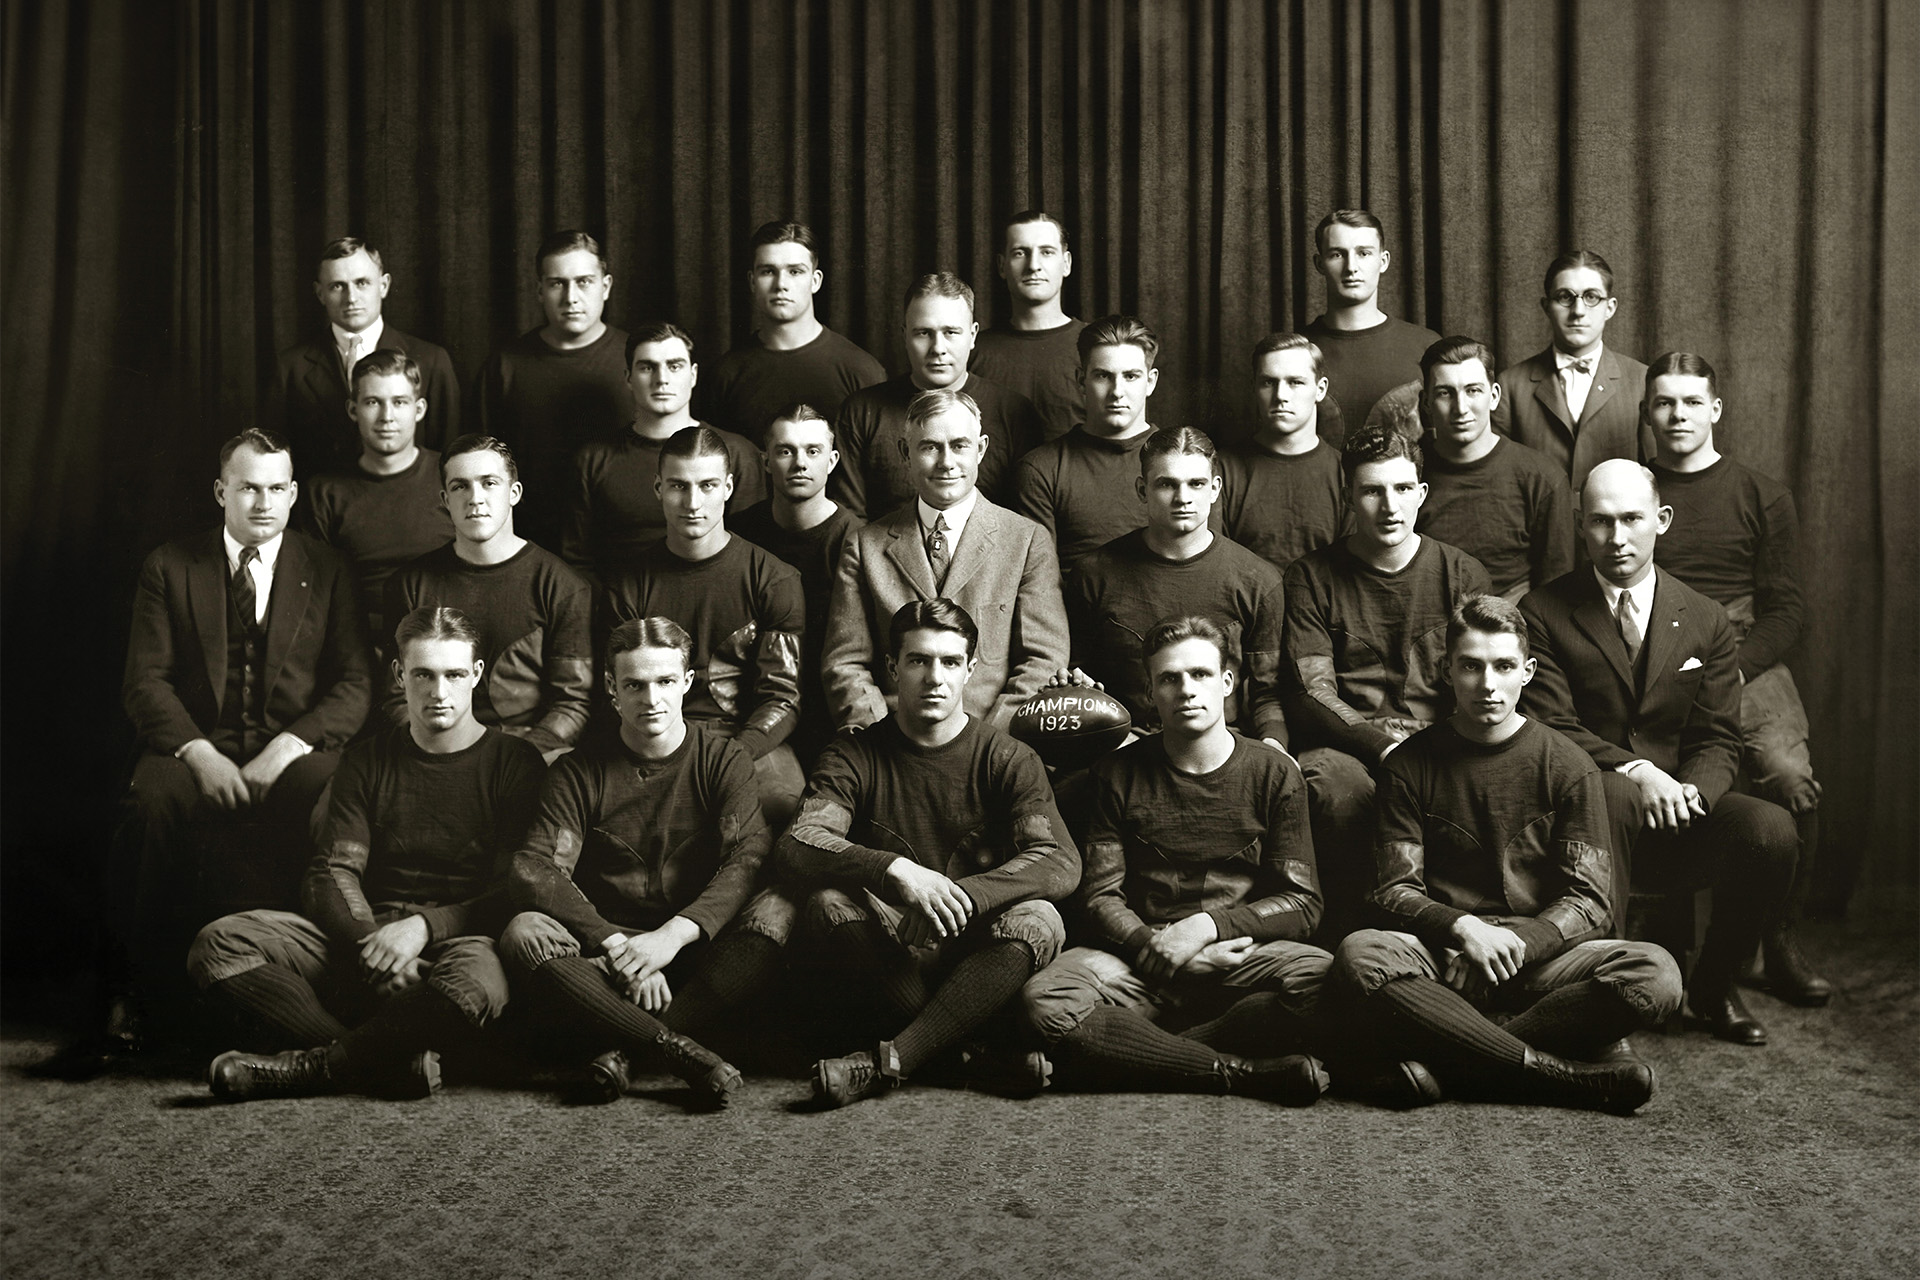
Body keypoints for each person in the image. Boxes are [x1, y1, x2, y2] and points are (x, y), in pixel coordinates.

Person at [1325, 596, 1683, 1114]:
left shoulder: (1569, 764)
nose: (1487, 684)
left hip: (1538, 961)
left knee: (1657, 973)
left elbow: (1589, 902)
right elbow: (1392, 890)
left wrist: (1509, 944)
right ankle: (1545, 1073)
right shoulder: (1408, 766)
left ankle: (1459, 1054)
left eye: (1503, 666)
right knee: (1361, 954)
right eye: (1471, 666)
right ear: (1447, 671)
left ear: (1528, 671)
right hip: (1444, 960)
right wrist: (1465, 932)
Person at [1519, 459, 1823, 1045]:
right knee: (1608, 791)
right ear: (1581, 527)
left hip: (1682, 807)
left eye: (1632, 519)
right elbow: (1552, 725)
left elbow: (1716, 737)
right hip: (1590, 807)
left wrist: (1690, 791)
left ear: (1661, 520)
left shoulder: (1705, 617)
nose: (1618, 538)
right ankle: (1604, 998)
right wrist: (1637, 771)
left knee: (1773, 829)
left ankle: (1712, 987)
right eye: (1601, 522)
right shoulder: (1544, 611)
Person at [186, 607, 545, 1101]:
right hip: (367, 935)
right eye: (423, 674)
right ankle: (385, 1057)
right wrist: (373, 945)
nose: (439, 692)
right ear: (400, 676)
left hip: (459, 941)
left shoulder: (514, 762)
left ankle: (320, 1066)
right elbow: (333, 870)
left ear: (476, 675)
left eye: (454, 675)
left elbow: (511, 889)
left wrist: (423, 928)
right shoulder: (367, 759)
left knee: (479, 981)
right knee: (220, 943)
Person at [112, 429, 371, 1049]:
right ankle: (132, 995)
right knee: (150, 803)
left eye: (276, 488)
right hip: (195, 745)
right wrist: (199, 754)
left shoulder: (328, 567)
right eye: (248, 488)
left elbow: (356, 683)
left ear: (293, 493)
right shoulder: (170, 566)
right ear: (220, 491)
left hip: (290, 751)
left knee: (334, 795)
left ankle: (332, 987)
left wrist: (286, 748)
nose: (263, 502)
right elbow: (145, 682)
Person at [781, 600, 1081, 1107]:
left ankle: (890, 1059)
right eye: (918, 661)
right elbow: (801, 840)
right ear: (893, 668)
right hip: (888, 947)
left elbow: (1057, 859)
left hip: (977, 952)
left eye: (948, 662)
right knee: (827, 901)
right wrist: (895, 872)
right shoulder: (852, 753)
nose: (933, 677)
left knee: (1040, 918)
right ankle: (966, 1053)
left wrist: (958, 896)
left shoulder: (1007, 756)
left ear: (970, 668)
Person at [1022, 617, 1330, 1104]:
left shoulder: (1274, 773)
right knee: (1047, 998)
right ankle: (1233, 1070)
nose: (1186, 690)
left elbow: (1302, 902)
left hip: (1234, 958)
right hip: (1139, 962)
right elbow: (1101, 897)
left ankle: (1138, 1057)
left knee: (1322, 979)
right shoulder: (1116, 774)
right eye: (1169, 679)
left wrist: (1203, 930)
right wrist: (1159, 947)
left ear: (1227, 683)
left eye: (1201, 675)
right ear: (1150, 692)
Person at [499, 617, 794, 1108]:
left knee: (779, 908)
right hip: (607, 956)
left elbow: (746, 859)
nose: (650, 698)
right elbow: (535, 867)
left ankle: (628, 1048)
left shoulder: (723, 760)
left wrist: (673, 937)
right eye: (634, 684)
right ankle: (673, 1047)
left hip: (697, 950)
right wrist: (620, 947)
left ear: (687, 683)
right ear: (613, 688)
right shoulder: (579, 771)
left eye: (663, 682)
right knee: (523, 930)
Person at [1645, 352, 1835, 956]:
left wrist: (1731, 667)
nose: (1679, 415)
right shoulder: (1633, 489)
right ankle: (1666, 943)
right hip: (1656, 662)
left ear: (1716, 409)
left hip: (1746, 658)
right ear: (1647, 411)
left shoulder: (1762, 494)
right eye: (1665, 402)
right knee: (1659, 781)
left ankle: (1777, 941)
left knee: (1788, 775)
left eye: (1692, 402)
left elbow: (1787, 609)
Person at [1283, 426, 1490, 938]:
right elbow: (1312, 692)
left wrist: (1435, 746)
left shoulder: (1462, 574)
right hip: (1347, 746)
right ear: (1349, 496)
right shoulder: (1310, 577)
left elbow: (1483, 678)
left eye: (1401, 489)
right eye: (1372, 491)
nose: (1389, 505)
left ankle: (1453, 932)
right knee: (1335, 788)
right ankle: (1348, 937)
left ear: (1422, 493)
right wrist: (1381, 746)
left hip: (1443, 738)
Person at [823, 388, 1070, 733]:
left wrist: (988, 744)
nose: (946, 462)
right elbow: (845, 663)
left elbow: (1043, 660)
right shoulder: (866, 546)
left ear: (980, 449)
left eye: (959, 445)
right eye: (929, 447)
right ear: (905, 453)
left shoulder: (1026, 541)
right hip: (889, 746)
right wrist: (884, 741)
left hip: (992, 745)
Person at [601, 426, 807, 827]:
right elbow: (615, 692)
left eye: (708, 485)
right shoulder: (627, 584)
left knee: (791, 820)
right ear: (659, 488)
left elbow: (782, 698)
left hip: (747, 742)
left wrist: (729, 757)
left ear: (729, 487)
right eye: (679, 485)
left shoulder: (774, 580)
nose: (693, 502)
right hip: (649, 734)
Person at [1060, 428, 1287, 746]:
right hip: (1124, 747)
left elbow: (1268, 694)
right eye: (1167, 484)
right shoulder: (1093, 575)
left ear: (1215, 489)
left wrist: (1271, 747)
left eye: (1196, 484)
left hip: (1222, 747)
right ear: (1142, 490)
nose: (1183, 498)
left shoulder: (1258, 581)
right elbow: (1077, 675)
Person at [383, 436, 591, 762]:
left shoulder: (562, 586)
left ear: (514, 493)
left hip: (529, 758)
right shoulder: (410, 585)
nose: (475, 498)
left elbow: (572, 702)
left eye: (489, 483)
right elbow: (396, 696)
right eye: (460, 487)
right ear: (445, 500)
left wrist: (512, 760)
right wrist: (443, 751)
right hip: (432, 752)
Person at [829, 272, 1042, 518]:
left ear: (972, 336)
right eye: (923, 333)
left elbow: (1024, 526)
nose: (938, 349)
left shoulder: (1014, 412)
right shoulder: (860, 411)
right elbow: (850, 519)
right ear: (905, 335)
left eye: (951, 332)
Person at [562, 323, 763, 580]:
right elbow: (578, 561)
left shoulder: (737, 453)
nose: (662, 379)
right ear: (628, 377)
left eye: (674, 366)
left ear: (693, 375)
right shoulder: (593, 459)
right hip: (622, 612)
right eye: (647, 367)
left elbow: (751, 554)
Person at [474, 230, 631, 547]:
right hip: (529, 539)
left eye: (584, 281)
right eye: (557, 283)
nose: (571, 297)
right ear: (539, 290)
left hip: (622, 540)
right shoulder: (505, 366)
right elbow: (480, 462)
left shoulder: (638, 360)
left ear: (606, 286)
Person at [730, 404, 865, 759]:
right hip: (752, 704)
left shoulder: (857, 541)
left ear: (832, 461)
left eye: (813, 451)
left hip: (830, 710)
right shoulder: (738, 533)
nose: (800, 463)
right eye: (786, 451)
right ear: (765, 461)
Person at [269, 237, 460, 478]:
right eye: (337, 286)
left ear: (384, 285)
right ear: (320, 293)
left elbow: (449, 455)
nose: (351, 298)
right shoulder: (290, 368)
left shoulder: (431, 360)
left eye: (362, 283)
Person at [301, 350, 455, 650]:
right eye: (373, 402)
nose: (387, 417)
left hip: (444, 643)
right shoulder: (324, 492)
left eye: (399, 402)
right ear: (352, 409)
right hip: (357, 647)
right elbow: (316, 595)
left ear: (419, 409)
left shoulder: (451, 477)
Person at [1414, 336, 1575, 601]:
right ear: (1426, 402)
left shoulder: (1543, 477)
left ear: (1494, 396)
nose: (1461, 408)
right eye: (1445, 393)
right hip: (1427, 628)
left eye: (1473, 390)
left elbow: (1556, 592)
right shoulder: (1406, 474)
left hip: (1513, 632)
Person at [699, 219, 885, 446]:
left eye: (795, 271)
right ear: (752, 282)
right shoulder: (724, 377)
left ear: (815, 281)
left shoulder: (861, 371)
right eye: (768, 271)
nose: (781, 284)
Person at [1013, 315, 1176, 566]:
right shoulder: (1042, 469)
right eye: (1103, 376)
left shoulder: (1185, 464)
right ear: (1081, 381)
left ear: (1150, 381)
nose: (1117, 392)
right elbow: (1039, 581)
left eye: (1131, 376)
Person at [1492, 250, 1652, 493]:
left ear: (1610, 307)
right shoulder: (1511, 384)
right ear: (1546, 307)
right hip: (1536, 527)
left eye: (1592, 297)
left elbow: (1655, 473)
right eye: (1565, 297)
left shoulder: (1641, 380)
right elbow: (1499, 476)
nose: (1578, 310)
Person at [1217, 332, 1349, 576]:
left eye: (1295, 382)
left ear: (1320, 389)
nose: (1280, 396)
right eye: (1268, 382)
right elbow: (1215, 567)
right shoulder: (1221, 470)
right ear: (1255, 387)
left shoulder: (1347, 473)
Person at [1302, 210, 1439, 437]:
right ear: (1319, 264)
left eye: (1364, 253)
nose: (1351, 267)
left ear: (1383, 261)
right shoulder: (1296, 351)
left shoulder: (1426, 345)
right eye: (1337, 254)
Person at [970, 210, 1087, 440]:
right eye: (1020, 253)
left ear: (1066, 264)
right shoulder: (972, 350)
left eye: (1046, 252)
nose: (1033, 265)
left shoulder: (1097, 346)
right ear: (1002, 266)